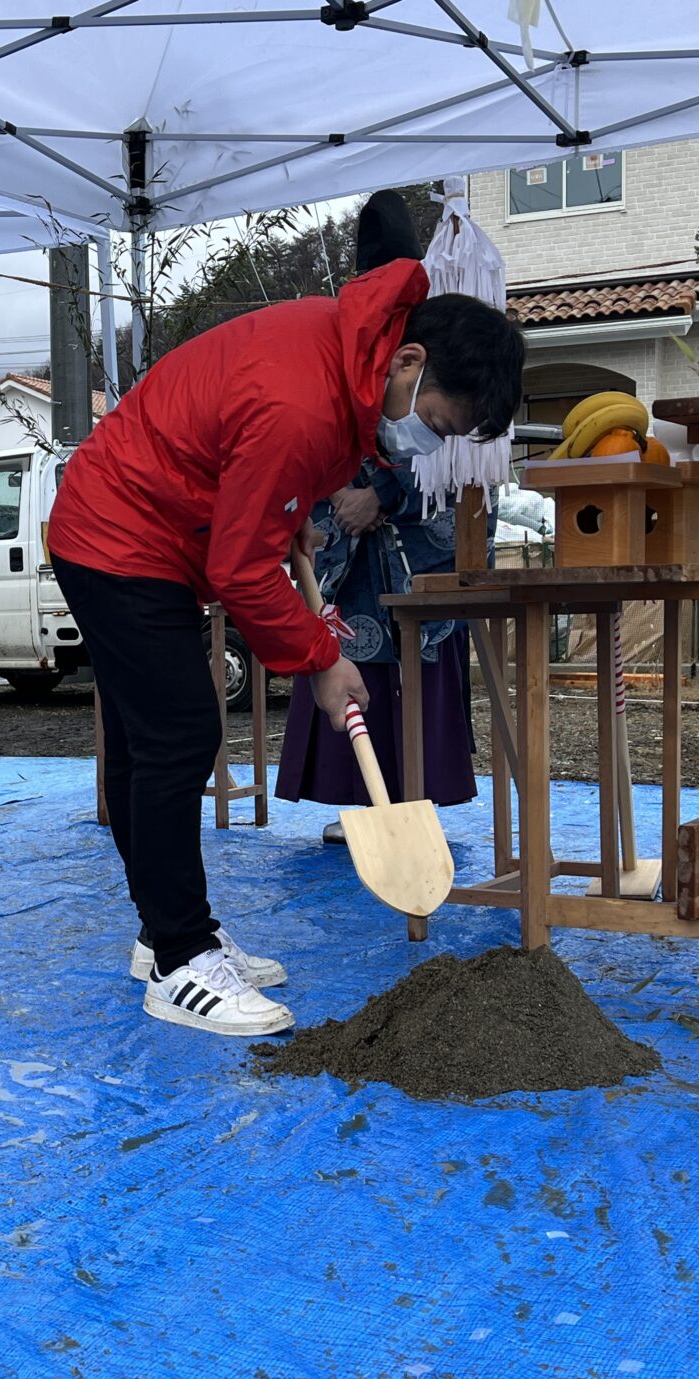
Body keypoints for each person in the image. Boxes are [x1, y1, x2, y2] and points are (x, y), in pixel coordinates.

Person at [47, 263, 524, 1038]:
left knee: (150, 738)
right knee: (179, 733)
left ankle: (166, 930)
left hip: (151, 522)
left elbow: (258, 474)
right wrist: (320, 660)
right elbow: (240, 567)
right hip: (118, 533)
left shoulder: (348, 353)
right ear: (409, 365)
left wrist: (284, 509)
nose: (424, 443)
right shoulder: (303, 402)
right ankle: (180, 960)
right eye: (435, 424)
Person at [278, 189, 480, 838]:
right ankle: (362, 800)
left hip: (416, 535)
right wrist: (332, 489)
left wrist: (382, 494)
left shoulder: (439, 342)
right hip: (344, 533)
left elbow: (458, 446)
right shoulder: (341, 333)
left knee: (414, 656)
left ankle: (415, 796)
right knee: (350, 652)